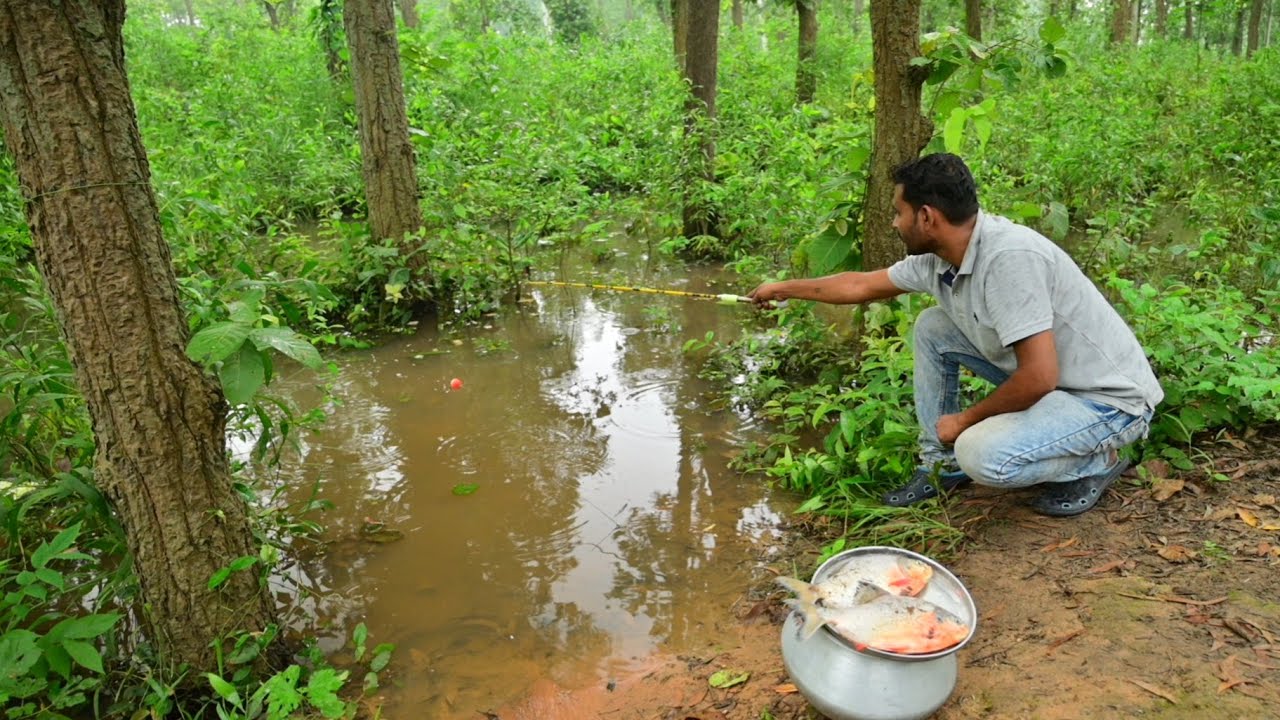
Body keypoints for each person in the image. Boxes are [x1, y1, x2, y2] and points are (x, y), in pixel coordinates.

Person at [748, 153, 1162, 517]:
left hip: (1106, 402)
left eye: (898, 212)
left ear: (927, 217)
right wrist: (785, 288)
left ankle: (1096, 462)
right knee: (933, 326)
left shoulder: (1009, 259)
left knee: (982, 456)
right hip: (1058, 385)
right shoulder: (940, 256)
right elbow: (860, 285)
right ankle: (938, 466)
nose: (894, 223)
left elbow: (1038, 377)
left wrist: (963, 421)